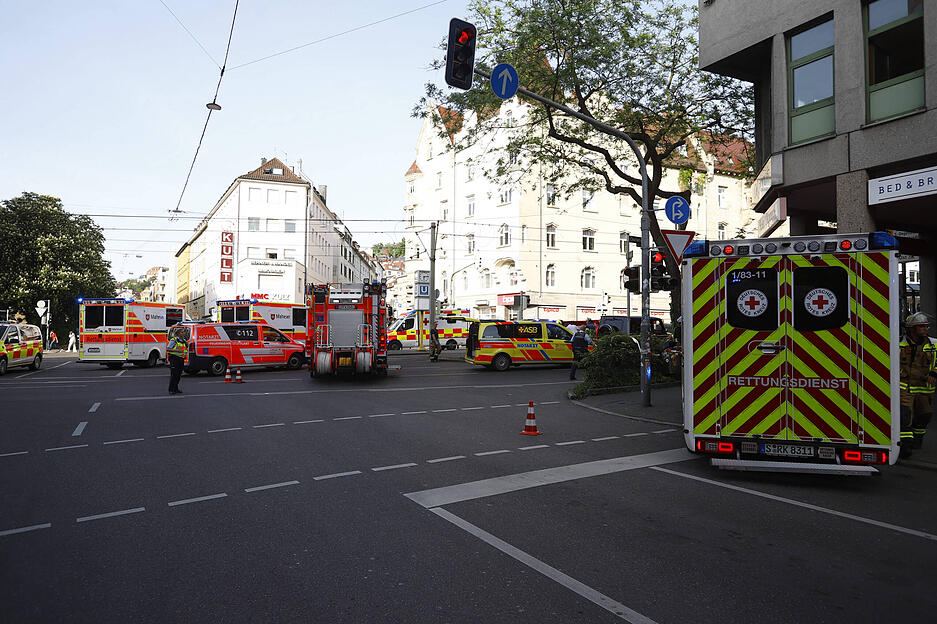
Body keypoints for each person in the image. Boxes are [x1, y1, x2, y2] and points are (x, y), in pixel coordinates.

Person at [899, 312, 937, 458]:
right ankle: (905, 446)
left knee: (924, 416)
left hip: (924, 389)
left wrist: (934, 372)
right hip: (905, 388)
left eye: (926, 326)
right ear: (911, 329)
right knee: (905, 417)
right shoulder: (899, 344)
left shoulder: (934, 344)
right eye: (921, 326)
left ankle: (917, 440)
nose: (925, 329)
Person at [166, 326, 189, 395]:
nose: (183, 333)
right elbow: (168, 349)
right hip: (175, 359)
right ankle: (171, 389)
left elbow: (185, 348)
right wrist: (177, 350)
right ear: (178, 333)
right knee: (174, 375)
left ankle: (175, 389)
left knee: (178, 375)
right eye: (182, 332)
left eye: (184, 332)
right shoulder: (174, 340)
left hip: (181, 359)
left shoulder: (184, 341)